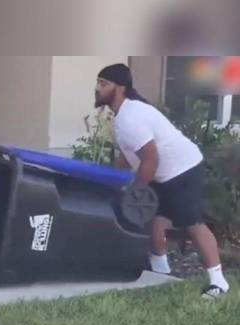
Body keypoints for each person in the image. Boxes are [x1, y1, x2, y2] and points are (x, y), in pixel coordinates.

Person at [94, 63, 229, 299]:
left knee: (192, 222)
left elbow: (150, 160)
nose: (97, 89)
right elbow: (127, 157)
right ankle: (160, 271)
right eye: (98, 83)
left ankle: (219, 283)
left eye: (103, 84)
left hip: (183, 168)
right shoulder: (124, 115)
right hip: (161, 171)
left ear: (120, 88)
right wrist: (113, 181)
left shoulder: (130, 117)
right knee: (156, 219)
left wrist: (134, 191)